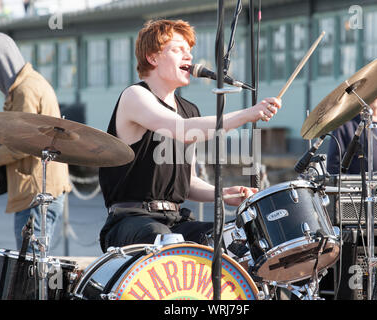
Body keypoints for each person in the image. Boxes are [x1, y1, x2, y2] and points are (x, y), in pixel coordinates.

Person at [99, 19, 282, 252]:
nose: (188, 57)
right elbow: (183, 131)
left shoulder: (189, 110)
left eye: (189, 51)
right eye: (177, 50)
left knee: (232, 239)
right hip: (130, 220)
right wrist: (248, 114)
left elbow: (189, 182)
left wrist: (222, 194)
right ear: (152, 58)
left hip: (175, 220)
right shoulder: (135, 96)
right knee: (166, 241)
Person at [0, 32, 72, 253]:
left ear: (0, 61)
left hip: (37, 194)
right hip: (36, 191)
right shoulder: (25, 85)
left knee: (30, 269)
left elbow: (20, 145)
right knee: (30, 266)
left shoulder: (25, 90)